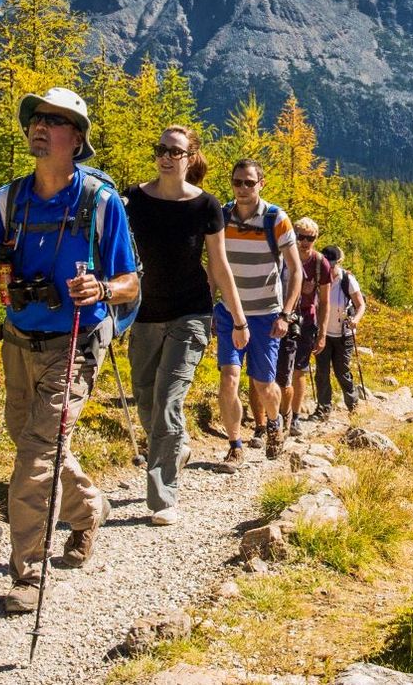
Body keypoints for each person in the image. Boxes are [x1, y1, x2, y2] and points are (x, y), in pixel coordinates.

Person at [0, 86, 139, 616]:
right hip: (19, 342)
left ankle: (27, 571)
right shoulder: (9, 200)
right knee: (34, 442)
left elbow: (131, 282)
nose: (40, 127)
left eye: (55, 120)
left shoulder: (100, 202)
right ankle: (89, 508)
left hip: (75, 343)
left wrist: (102, 289)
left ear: (77, 139)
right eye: (36, 120)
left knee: (34, 456)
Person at [122, 125, 247, 526]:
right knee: (146, 400)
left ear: (190, 157)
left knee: (169, 400)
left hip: (191, 314)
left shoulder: (206, 206)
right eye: (160, 149)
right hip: (143, 313)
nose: (165, 156)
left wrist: (239, 317)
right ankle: (178, 447)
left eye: (175, 151)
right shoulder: (133, 200)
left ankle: (163, 497)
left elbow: (219, 265)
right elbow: (113, 252)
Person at [215, 160, 303, 464]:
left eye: (249, 183)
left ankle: (275, 422)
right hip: (229, 311)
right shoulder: (222, 216)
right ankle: (235, 444)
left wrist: (286, 315)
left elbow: (296, 271)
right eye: (237, 182)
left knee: (265, 385)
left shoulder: (275, 218)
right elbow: (214, 263)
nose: (242, 188)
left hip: (266, 314)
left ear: (261, 184)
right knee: (229, 379)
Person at [277, 216, 332, 436]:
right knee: (279, 369)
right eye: (301, 237)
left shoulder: (320, 263)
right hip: (281, 317)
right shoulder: (283, 258)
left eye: (310, 238)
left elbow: (325, 301)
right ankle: (279, 413)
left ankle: (295, 416)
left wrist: (323, 333)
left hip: (306, 322)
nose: (305, 242)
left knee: (300, 370)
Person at [313, 244, 367, 416]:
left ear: (338, 262)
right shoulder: (318, 279)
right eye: (326, 264)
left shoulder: (347, 280)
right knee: (322, 372)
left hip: (344, 334)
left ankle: (353, 405)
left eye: (332, 264)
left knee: (342, 371)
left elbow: (361, 305)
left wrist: (355, 320)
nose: (329, 267)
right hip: (323, 333)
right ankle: (323, 409)